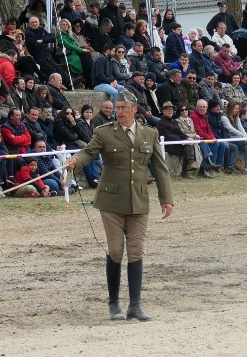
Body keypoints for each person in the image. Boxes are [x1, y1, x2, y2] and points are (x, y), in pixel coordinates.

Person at [64, 92, 174, 322]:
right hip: (111, 202)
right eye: (117, 107)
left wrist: (166, 198)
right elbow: (89, 153)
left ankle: (135, 305)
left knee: (136, 251)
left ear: (134, 109)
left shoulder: (150, 134)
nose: (120, 111)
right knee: (115, 250)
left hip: (139, 201)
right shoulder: (104, 132)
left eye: (124, 107)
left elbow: (160, 168)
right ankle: (114, 303)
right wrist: (75, 161)